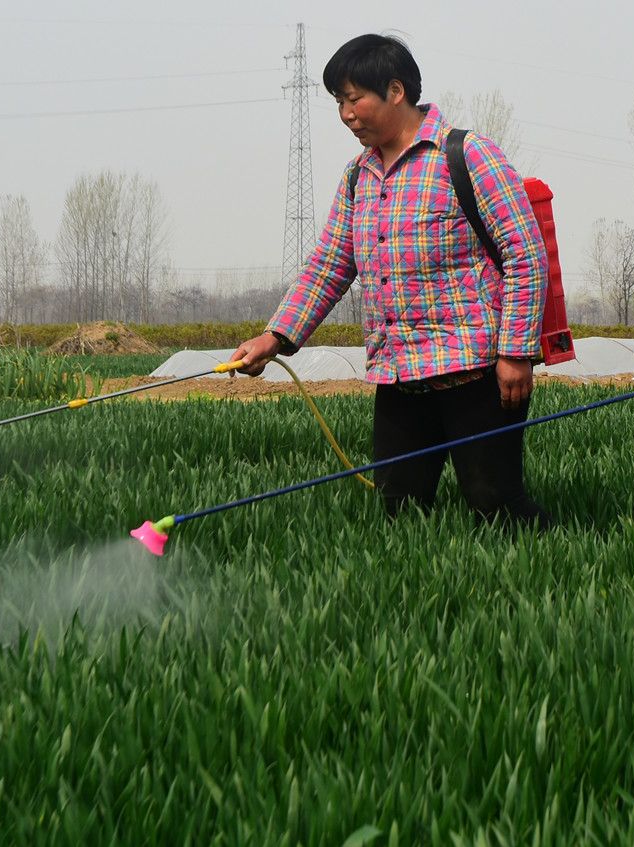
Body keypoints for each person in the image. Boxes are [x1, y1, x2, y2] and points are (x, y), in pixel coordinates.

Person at [230, 33, 554, 530]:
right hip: (399, 371)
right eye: (340, 101)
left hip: (477, 368)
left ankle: (542, 575)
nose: (346, 114)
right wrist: (275, 337)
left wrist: (516, 352)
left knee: (494, 502)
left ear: (396, 91)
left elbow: (524, 254)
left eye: (355, 98)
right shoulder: (359, 177)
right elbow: (331, 264)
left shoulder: (466, 156)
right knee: (400, 508)